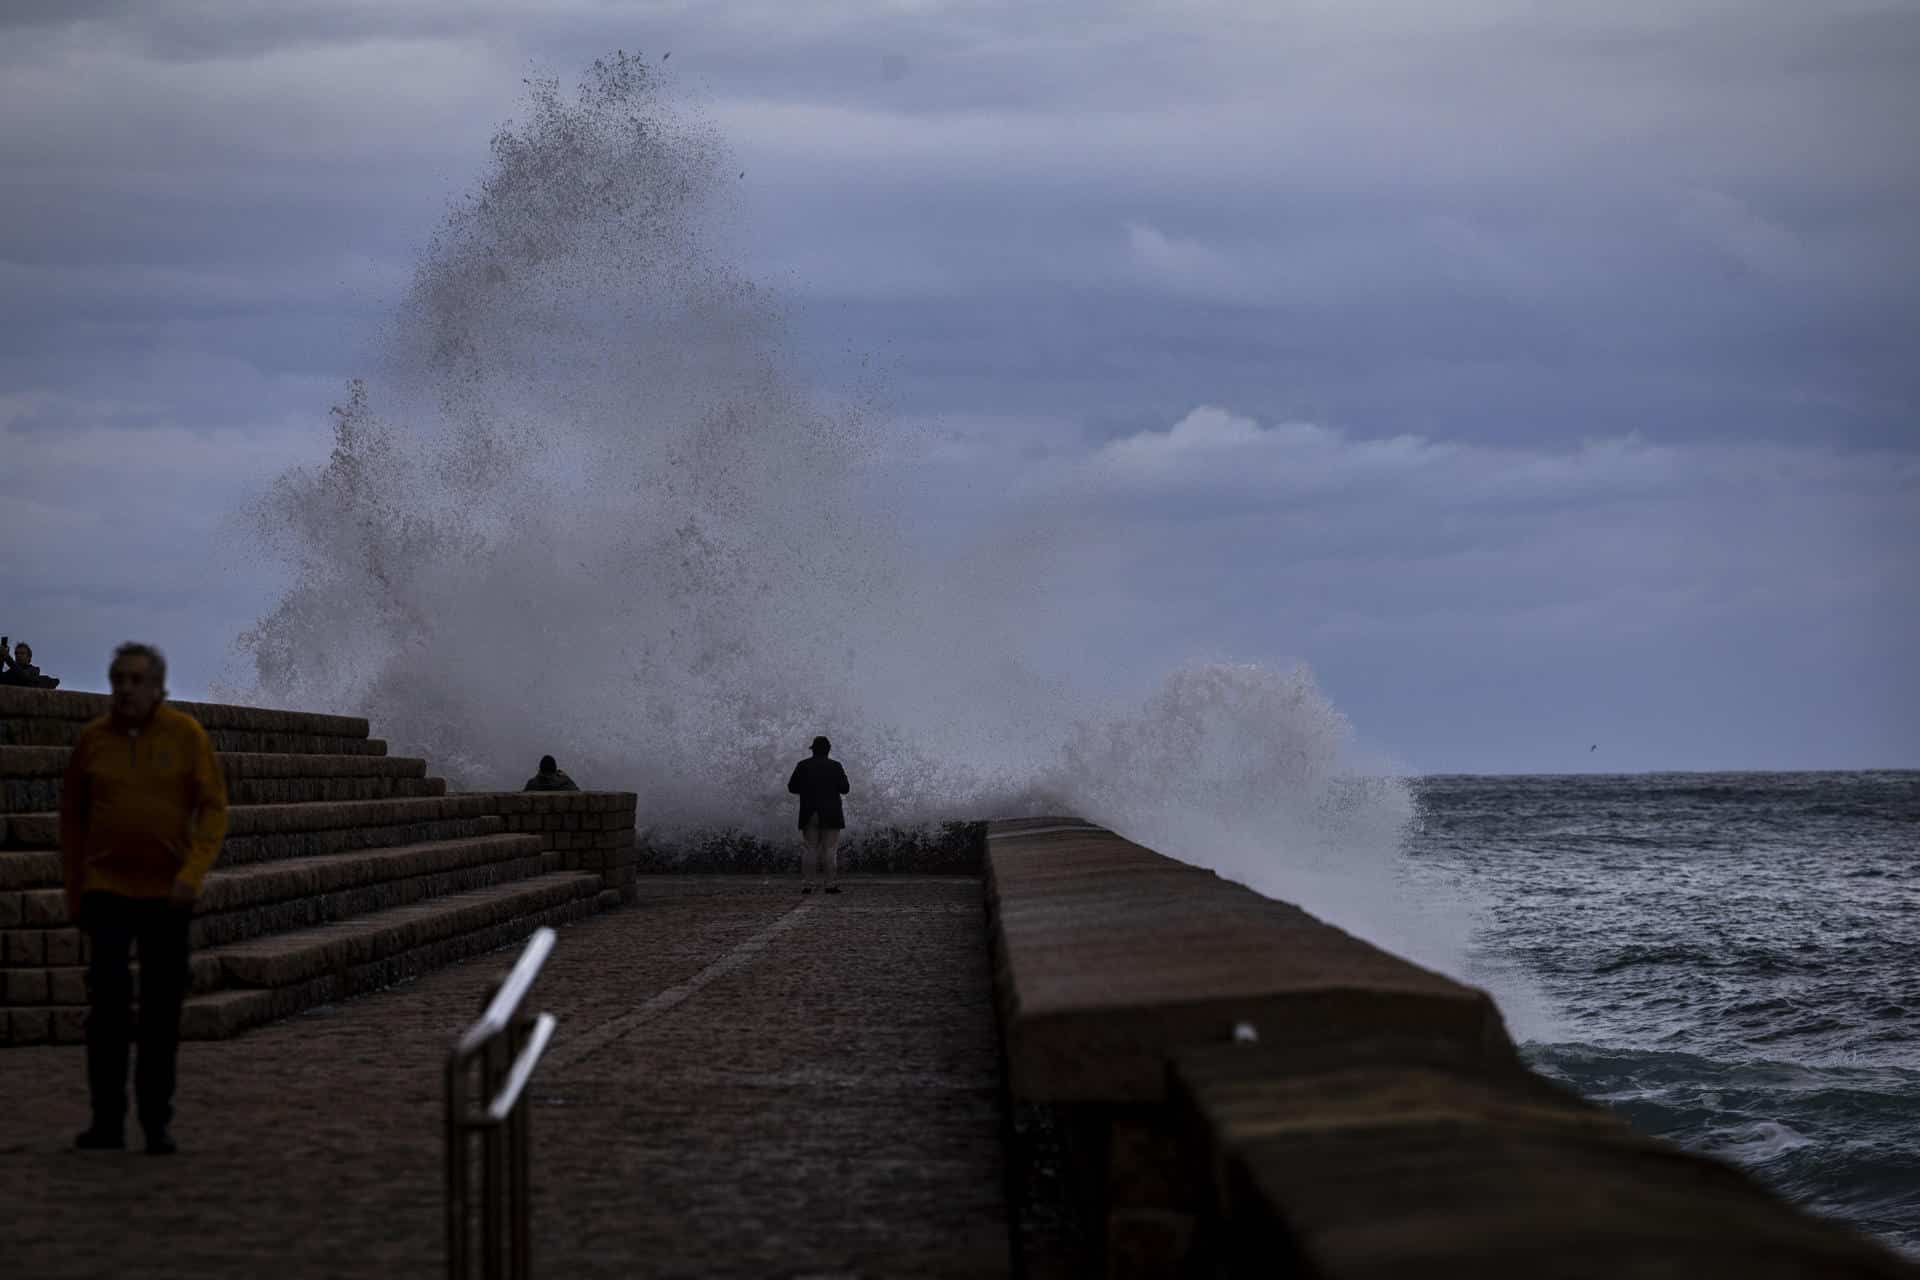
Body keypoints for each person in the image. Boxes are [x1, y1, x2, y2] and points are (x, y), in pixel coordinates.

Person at [60, 643, 227, 1156]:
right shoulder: (93, 741)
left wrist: (192, 875)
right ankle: (106, 1121)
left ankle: (156, 1120)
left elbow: (213, 809)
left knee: (160, 1013)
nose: (126, 689)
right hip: (107, 892)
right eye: (118, 680)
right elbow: (73, 824)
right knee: (107, 1011)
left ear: (158, 687)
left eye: (136, 680)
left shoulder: (185, 736)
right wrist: (75, 895)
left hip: (167, 897)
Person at [787, 736, 850, 895]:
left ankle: (808, 884)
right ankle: (830, 885)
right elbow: (845, 788)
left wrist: (808, 789)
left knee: (810, 849)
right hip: (831, 813)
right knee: (830, 849)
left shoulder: (803, 765)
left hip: (809, 812)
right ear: (828, 750)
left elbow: (792, 787)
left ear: (813, 749)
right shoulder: (835, 766)